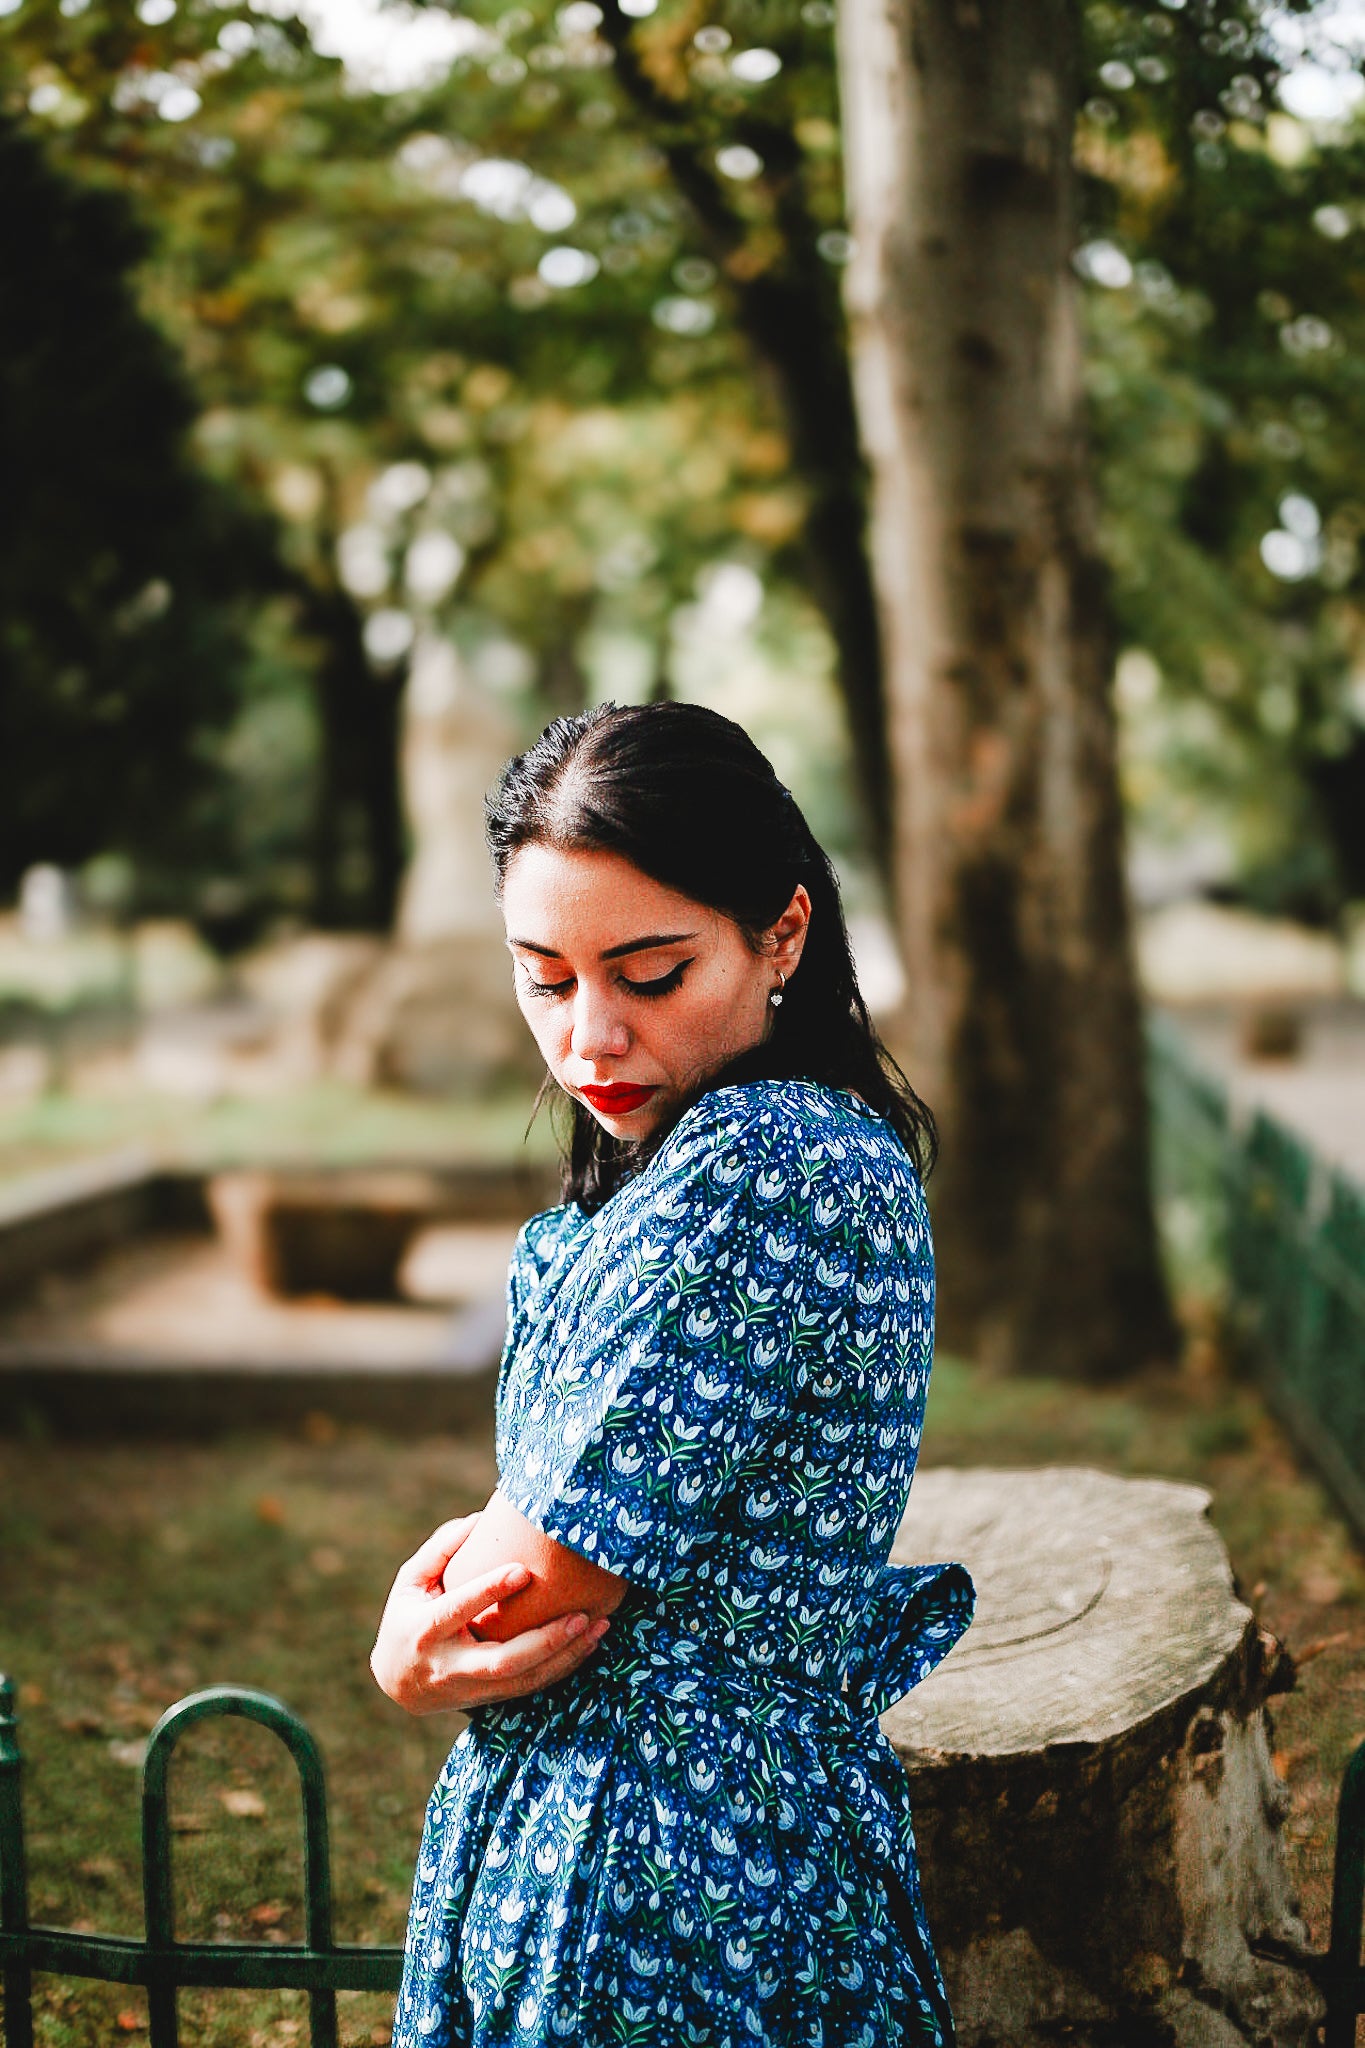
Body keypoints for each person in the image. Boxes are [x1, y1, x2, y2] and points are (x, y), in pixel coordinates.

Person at [371, 702, 975, 2048]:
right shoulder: (712, 1162)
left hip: (678, 1885)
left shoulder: (771, 1164)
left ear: (784, 934)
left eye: (649, 977)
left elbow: (537, 1582)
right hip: (639, 1841)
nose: (588, 1041)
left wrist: (412, 1657)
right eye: (546, 978)